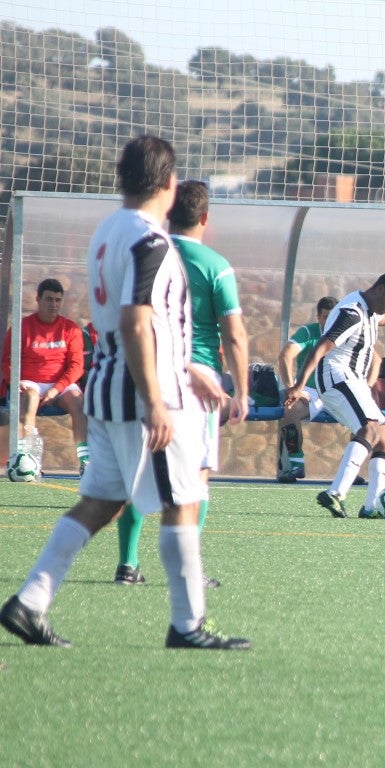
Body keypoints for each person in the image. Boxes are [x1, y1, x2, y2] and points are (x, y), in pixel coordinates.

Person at [0, 135, 248, 649]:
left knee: (101, 501)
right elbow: (137, 322)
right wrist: (160, 395)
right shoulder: (150, 241)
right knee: (183, 499)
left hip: (111, 386)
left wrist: (186, 365)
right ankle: (187, 626)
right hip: (145, 395)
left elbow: (128, 322)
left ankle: (28, 603)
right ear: (169, 182)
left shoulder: (108, 231)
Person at [113, 180, 250, 588]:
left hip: (148, 371)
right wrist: (241, 391)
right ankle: (188, 569)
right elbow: (235, 334)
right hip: (199, 380)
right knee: (196, 476)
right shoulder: (216, 266)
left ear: (169, 212)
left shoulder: (145, 255)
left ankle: (127, 564)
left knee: (140, 470)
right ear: (205, 218)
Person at [283, 273, 385, 518]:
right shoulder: (351, 313)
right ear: (379, 289)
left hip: (353, 380)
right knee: (370, 429)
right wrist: (298, 386)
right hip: (336, 377)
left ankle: (372, 507)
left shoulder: (370, 309)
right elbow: (320, 348)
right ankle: (336, 493)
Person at [1, 278, 89, 475]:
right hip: (30, 381)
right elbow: (7, 360)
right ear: (38, 299)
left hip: (60, 383)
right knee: (30, 398)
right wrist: (13, 381)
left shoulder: (70, 329)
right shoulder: (21, 327)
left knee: (78, 402)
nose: (53, 305)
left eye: (58, 300)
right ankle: (27, 459)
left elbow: (77, 366)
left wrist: (56, 389)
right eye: (49, 299)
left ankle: (85, 460)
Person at [276, 295, 337, 482]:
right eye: (325, 317)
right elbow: (286, 355)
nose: (329, 321)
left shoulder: (346, 331)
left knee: (365, 416)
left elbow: (375, 360)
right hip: (311, 390)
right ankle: (296, 465)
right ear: (318, 317)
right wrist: (291, 388)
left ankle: (352, 469)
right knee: (291, 409)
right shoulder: (309, 332)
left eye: (333, 316)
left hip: (338, 390)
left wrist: (365, 386)